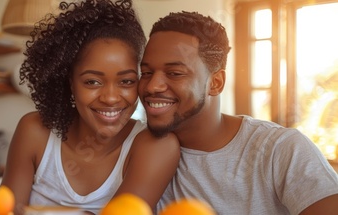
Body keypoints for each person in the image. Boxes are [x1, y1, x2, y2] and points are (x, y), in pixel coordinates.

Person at [138, 11, 338, 214]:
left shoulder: (281, 149)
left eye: (174, 73)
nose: (152, 86)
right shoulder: (135, 148)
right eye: (146, 73)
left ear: (216, 83)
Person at [1, 1, 180, 214]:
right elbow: (4, 209)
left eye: (126, 82)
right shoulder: (34, 131)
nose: (111, 98)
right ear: (70, 82)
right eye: (92, 82)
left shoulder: (154, 146)